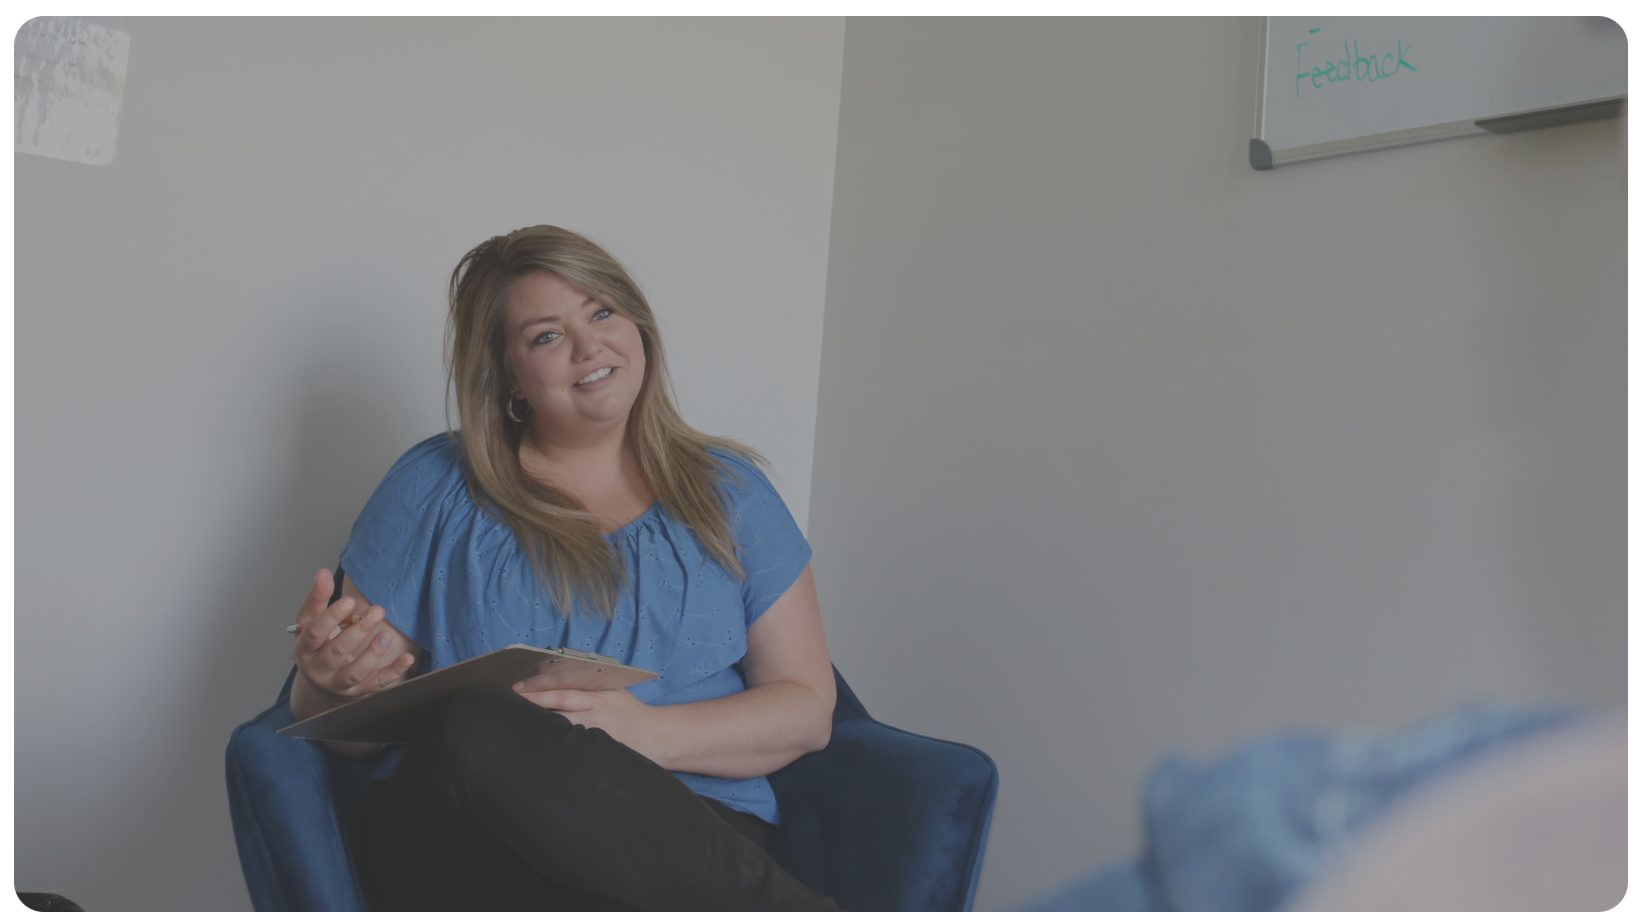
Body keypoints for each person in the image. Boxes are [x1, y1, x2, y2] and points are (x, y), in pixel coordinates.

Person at [287, 225, 845, 911]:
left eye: (603, 311)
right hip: (475, 843)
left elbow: (806, 709)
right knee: (471, 721)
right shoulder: (431, 487)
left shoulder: (731, 492)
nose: (590, 345)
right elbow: (356, 736)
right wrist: (325, 690)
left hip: (688, 848)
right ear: (509, 377)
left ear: (637, 323)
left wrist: (644, 735)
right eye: (547, 335)